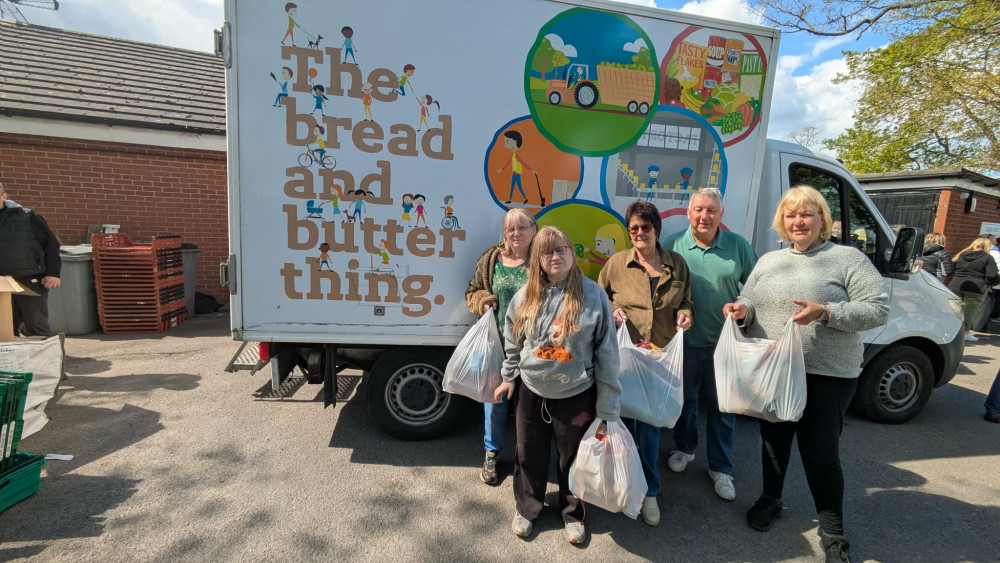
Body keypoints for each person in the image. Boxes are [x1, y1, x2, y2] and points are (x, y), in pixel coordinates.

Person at [722, 186, 888, 563]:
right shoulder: (769, 261)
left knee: (821, 453)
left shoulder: (846, 259)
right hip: (775, 370)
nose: (798, 221)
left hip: (826, 375)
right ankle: (771, 499)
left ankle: (833, 531)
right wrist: (741, 310)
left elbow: (877, 309)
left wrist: (827, 312)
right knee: (773, 442)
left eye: (807, 214)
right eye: (791, 215)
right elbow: (750, 298)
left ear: (822, 220)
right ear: (782, 221)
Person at [494, 226, 620, 544]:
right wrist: (509, 376)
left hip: (576, 393)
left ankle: (573, 513)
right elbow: (513, 337)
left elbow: (607, 353)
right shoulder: (526, 295)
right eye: (547, 251)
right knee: (528, 454)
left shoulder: (594, 296)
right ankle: (527, 508)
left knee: (573, 459)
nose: (555, 256)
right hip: (531, 391)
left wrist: (607, 404)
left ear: (572, 253)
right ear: (537, 258)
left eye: (561, 248)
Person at [598, 200, 693, 526]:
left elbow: (687, 301)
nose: (639, 233)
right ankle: (625, 485)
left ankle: (650, 491)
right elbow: (599, 299)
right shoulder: (616, 265)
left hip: (658, 361)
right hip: (624, 359)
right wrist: (612, 310)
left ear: (656, 229)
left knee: (651, 430)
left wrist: (686, 314)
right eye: (634, 228)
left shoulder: (676, 264)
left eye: (645, 228)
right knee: (622, 426)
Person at [663, 188, 757, 503]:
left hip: (725, 345)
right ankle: (684, 448)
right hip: (684, 344)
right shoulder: (672, 245)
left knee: (723, 408)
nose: (705, 216)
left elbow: (757, 290)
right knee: (685, 401)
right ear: (688, 213)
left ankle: (721, 467)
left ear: (721, 215)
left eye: (711, 211)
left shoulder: (738, 246)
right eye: (699, 210)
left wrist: (743, 305)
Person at [464, 208, 538, 486]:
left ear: (534, 229)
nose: (516, 233)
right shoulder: (492, 259)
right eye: (510, 229)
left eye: (522, 227)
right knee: (494, 402)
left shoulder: (542, 260)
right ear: (504, 233)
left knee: (527, 408)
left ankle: (526, 457)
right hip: (497, 345)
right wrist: (483, 300)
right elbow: (472, 291)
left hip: (532, 346)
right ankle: (491, 453)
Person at [0, 182, 62, 337]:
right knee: (5, 330)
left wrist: (53, 273)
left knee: (36, 326)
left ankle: (51, 360)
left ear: (4, 196)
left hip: (30, 280)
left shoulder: (27, 216)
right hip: (1, 284)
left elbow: (51, 245)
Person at [948, 237, 999, 342]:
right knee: (969, 310)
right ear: (987, 246)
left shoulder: (962, 255)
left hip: (957, 285)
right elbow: (992, 275)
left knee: (957, 310)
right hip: (977, 287)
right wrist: (989, 284)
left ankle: (953, 330)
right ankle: (965, 333)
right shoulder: (987, 258)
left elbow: (952, 269)